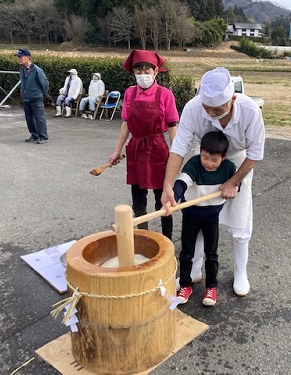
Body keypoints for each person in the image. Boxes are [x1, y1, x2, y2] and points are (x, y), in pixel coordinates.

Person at [161, 67, 265, 296]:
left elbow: (255, 153)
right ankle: (195, 271)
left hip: (238, 162)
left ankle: (241, 272)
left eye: (218, 109)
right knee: (198, 216)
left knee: (240, 222)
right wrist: (168, 186)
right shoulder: (193, 108)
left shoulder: (249, 110)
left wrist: (234, 181)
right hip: (203, 161)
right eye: (207, 108)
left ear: (233, 99)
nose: (211, 113)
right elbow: (179, 148)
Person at [108, 49, 179, 240]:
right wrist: (117, 150)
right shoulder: (130, 94)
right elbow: (126, 124)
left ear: (156, 72)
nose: (142, 75)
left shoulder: (165, 95)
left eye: (146, 71)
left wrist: (175, 155)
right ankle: (143, 237)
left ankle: (167, 241)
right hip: (136, 148)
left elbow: (173, 126)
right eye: (138, 71)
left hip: (157, 148)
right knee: (138, 199)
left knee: (162, 199)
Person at [164, 132, 237, 307]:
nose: (209, 163)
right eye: (205, 157)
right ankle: (185, 285)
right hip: (190, 215)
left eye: (214, 160)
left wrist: (234, 187)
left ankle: (211, 287)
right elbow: (183, 182)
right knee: (186, 253)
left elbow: (235, 184)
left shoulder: (228, 168)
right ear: (200, 153)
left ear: (223, 157)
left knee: (211, 254)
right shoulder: (194, 164)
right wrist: (173, 196)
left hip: (211, 217)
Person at [15, 49, 50, 144]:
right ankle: (34, 135)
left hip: (36, 98)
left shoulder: (37, 70)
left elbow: (45, 84)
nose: (19, 59)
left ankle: (43, 137)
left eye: (20, 57)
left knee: (39, 118)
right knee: (29, 118)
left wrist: (40, 94)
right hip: (26, 98)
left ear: (27, 57)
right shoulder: (22, 69)